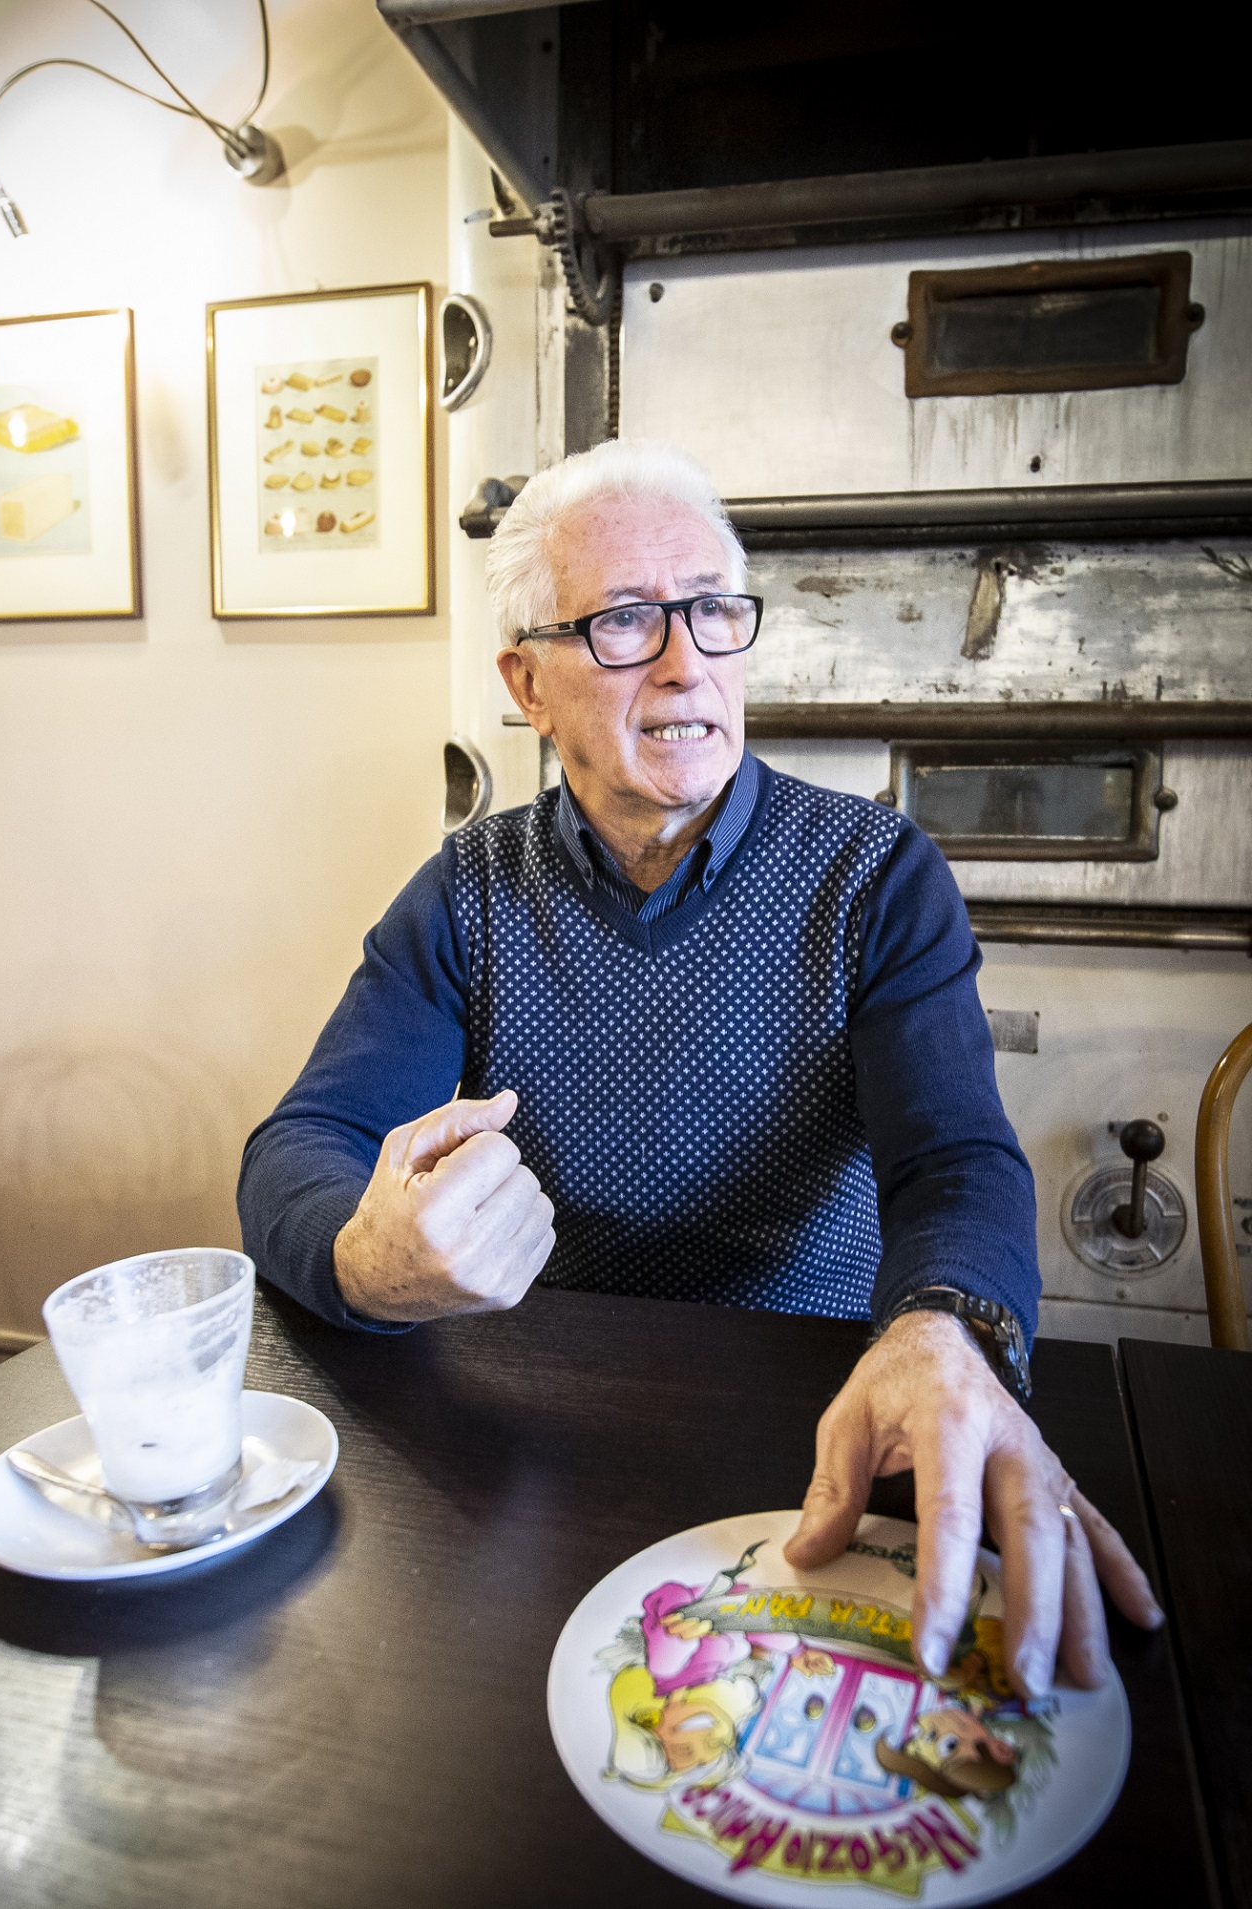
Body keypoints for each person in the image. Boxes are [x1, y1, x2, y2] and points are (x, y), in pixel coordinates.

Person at [238, 437, 1163, 1702]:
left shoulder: (875, 875)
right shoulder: (463, 892)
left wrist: (946, 1326)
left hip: (822, 1422)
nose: (686, 665)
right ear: (527, 682)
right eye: (623, 621)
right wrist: (365, 1258)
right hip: (532, 1431)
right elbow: (299, 1149)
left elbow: (954, 1160)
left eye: (714, 613)